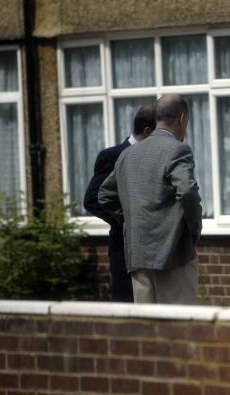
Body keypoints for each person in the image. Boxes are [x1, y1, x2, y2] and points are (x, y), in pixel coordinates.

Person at [98, 94, 202, 304]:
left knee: (148, 330)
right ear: (182, 119)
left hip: (138, 256)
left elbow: (104, 195)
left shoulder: (128, 154)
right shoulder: (178, 149)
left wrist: (130, 221)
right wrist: (194, 228)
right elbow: (188, 191)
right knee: (180, 328)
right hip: (174, 255)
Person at [83, 104, 156, 302]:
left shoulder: (154, 157)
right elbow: (92, 200)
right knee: (127, 306)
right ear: (148, 131)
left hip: (151, 250)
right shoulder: (112, 155)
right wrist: (127, 221)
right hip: (123, 250)